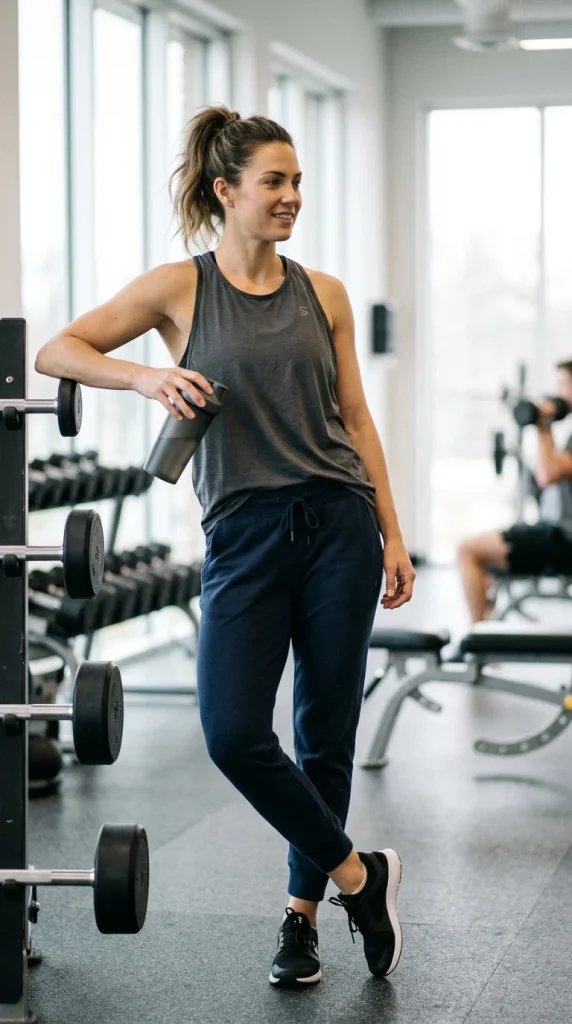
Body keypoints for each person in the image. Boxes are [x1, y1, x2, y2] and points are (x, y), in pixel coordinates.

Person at [35, 105, 415, 988]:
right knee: (235, 730)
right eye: (273, 183)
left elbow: (354, 417)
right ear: (226, 190)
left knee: (325, 730)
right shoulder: (179, 288)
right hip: (242, 533)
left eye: (297, 183)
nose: (290, 198)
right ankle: (362, 878)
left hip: (340, 526)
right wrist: (147, 374)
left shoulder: (323, 293)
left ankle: (302, 919)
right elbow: (61, 348)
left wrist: (394, 532)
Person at [458, 359, 572, 622]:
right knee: (479, 556)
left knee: (468, 550)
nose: (558, 393)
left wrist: (543, 422)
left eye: (565, 385)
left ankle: (478, 641)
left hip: (563, 541)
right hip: (557, 533)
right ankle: (487, 628)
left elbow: (548, 474)